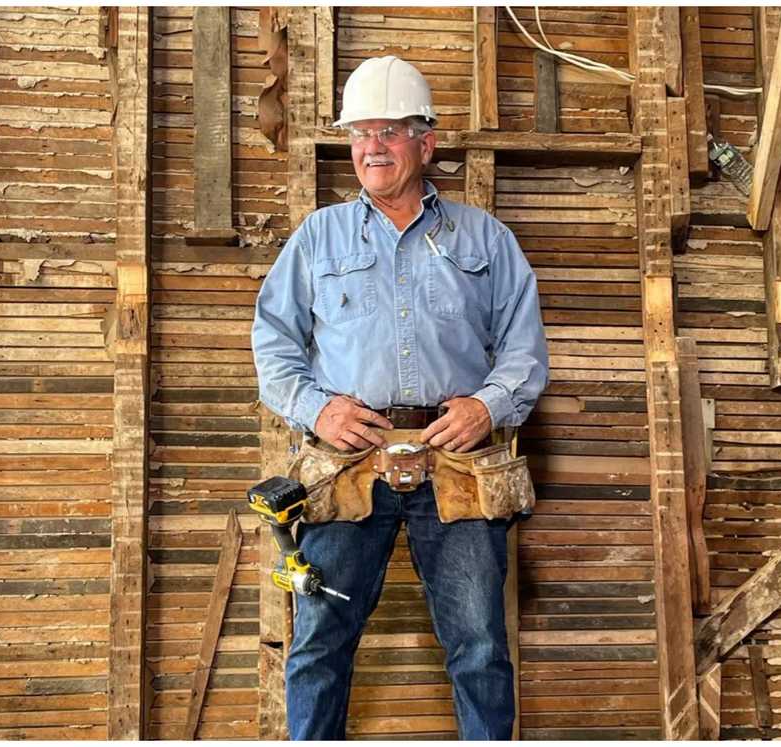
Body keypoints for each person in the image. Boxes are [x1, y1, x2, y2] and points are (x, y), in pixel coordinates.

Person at [252, 55, 549, 740]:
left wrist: (488, 406)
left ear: (426, 142)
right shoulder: (318, 238)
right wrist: (315, 407)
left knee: (479, 644)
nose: (372, 147)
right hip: (347, 464)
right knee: (320, 642)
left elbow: (525, 353)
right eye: (360, 133)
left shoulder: (485, 239)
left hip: (459, 466)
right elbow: (273, 341)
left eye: (389, 130)